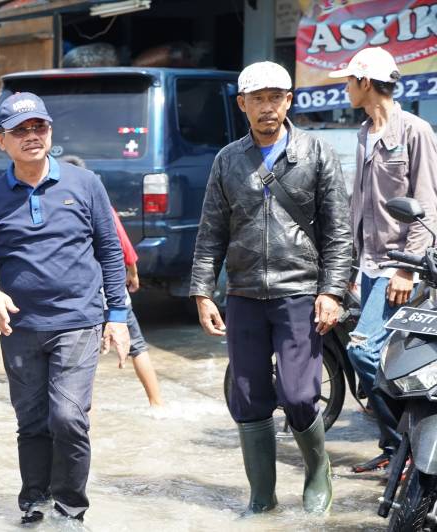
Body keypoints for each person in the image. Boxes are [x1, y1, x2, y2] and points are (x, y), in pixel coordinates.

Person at [190, 62, 352, 515]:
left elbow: (339, 233)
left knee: (301, 394)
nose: (267, 107)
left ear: (289, 100)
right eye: (257, 99)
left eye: (275, 97)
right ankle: (262, 496)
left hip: (300, 290)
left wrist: (333, 291)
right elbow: (210, 233)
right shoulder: (227, 160)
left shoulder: (316, 153)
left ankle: (318, 469)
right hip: (243, 294)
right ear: (242, 105)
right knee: (248, 396)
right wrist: (203, 292)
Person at [0, 92, 130, 523]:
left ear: (50, 132)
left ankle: (71, 506)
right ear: (1, 141)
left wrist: (117, 317)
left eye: (38, 127)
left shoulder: (86, 183)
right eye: (20, 130)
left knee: (68, 416)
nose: (32, 136)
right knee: (32, 420)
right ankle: (34, 500)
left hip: (78, 321)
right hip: (19, 327)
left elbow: (110, 251)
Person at [328, 47, 437, 473]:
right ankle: (397, 451)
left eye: (349, 81)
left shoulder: (415, 131)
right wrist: (353, 267)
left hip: (400, 267)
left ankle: (407, 445)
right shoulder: (363, 134)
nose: (345, 88)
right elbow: (360, 205)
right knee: (377, 357)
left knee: (364, 352)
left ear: (366, 83)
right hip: (369, 265)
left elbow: (426, 201)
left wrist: (406, 267)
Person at [60, 154, 163, 406]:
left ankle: (80, 408)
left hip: (82, 296)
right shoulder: (101, 205)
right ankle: (156, 402)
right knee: (137, 347)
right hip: (111, 293)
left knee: (79, 354)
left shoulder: (59, 207)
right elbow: (122, 245)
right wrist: (133, 273)